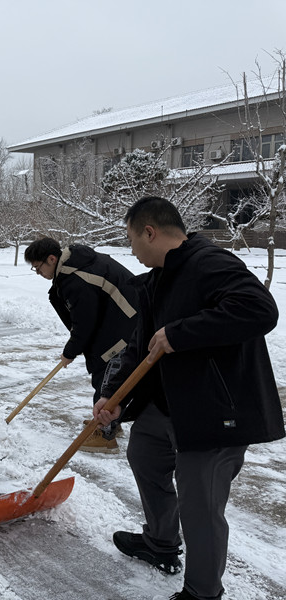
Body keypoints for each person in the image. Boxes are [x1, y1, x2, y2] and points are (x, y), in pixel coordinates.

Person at [93, 196, 284, 600]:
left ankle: (203, 592)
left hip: (214, 412)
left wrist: (181, 333)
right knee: (143, 455)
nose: (131, 251)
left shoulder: (210, 263)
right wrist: (112, 395)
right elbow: (140, 348)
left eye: (131, 240)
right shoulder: (158, 278)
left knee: (200, 506)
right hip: (168, 405)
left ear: (150, 231)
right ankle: (161, 542)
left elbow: (261, 310)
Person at [25, 236, 138, 452]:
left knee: (108, 377)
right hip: (118, 322)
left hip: (126, 326)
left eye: (38, 268)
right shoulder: (74, 267)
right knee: (107, 374)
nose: (38, 273)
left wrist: (70, 351)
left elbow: (84, 322)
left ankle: (105, 435)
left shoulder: (76, 278)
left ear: (51, 259)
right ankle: (112, 422)